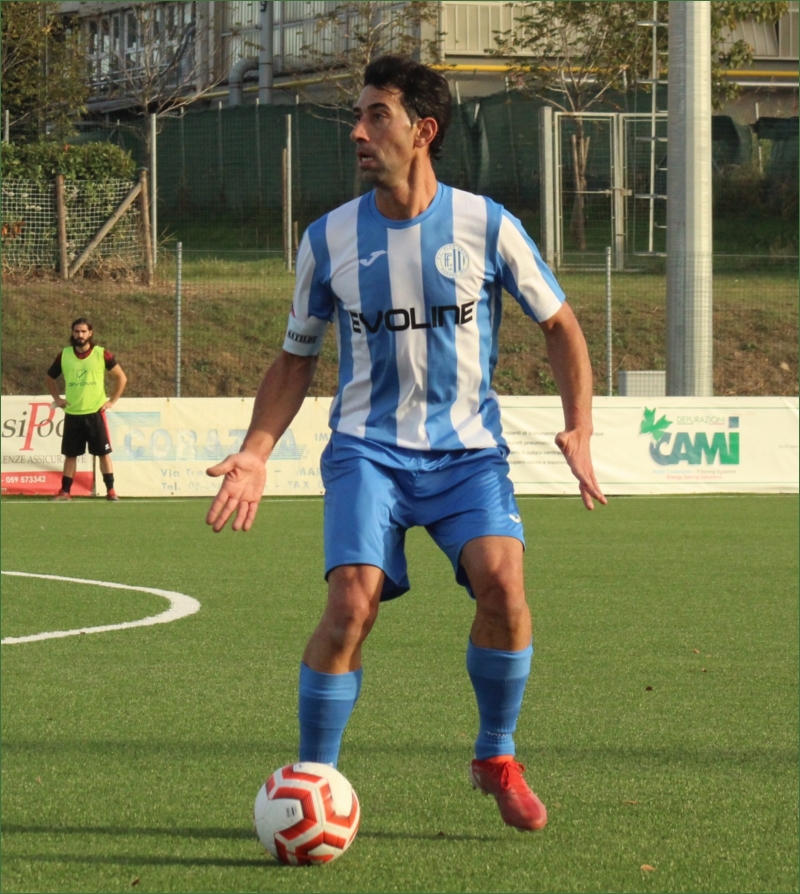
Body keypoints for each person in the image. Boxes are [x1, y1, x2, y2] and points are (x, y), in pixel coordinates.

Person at [206, 55, 606, 832]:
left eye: (375, 116)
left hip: (467, 455)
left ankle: (496, 755)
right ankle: (313, 779)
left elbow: (560, 324)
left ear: (423, 131)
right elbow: (295, 358)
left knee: (505, 587)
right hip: (368, 452)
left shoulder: (487, 225)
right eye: (356, 117)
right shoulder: (327, 239)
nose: (357, 132)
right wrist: (255, 450)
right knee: (351, 602)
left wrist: (579, 424)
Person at [46, 317, 127, 501]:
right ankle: (65, 492)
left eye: (83, 331)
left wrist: (112, 401)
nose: (80, 335)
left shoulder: (101, 354)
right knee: (70, 455)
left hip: (95, 413)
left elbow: (121, 377)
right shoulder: (64, 355)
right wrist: (57, 399)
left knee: (103, 453)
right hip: (73, 413)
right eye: (76, 331)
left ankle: (111, 491)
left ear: (90, 333)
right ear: (72, 333)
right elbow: (49, 378)